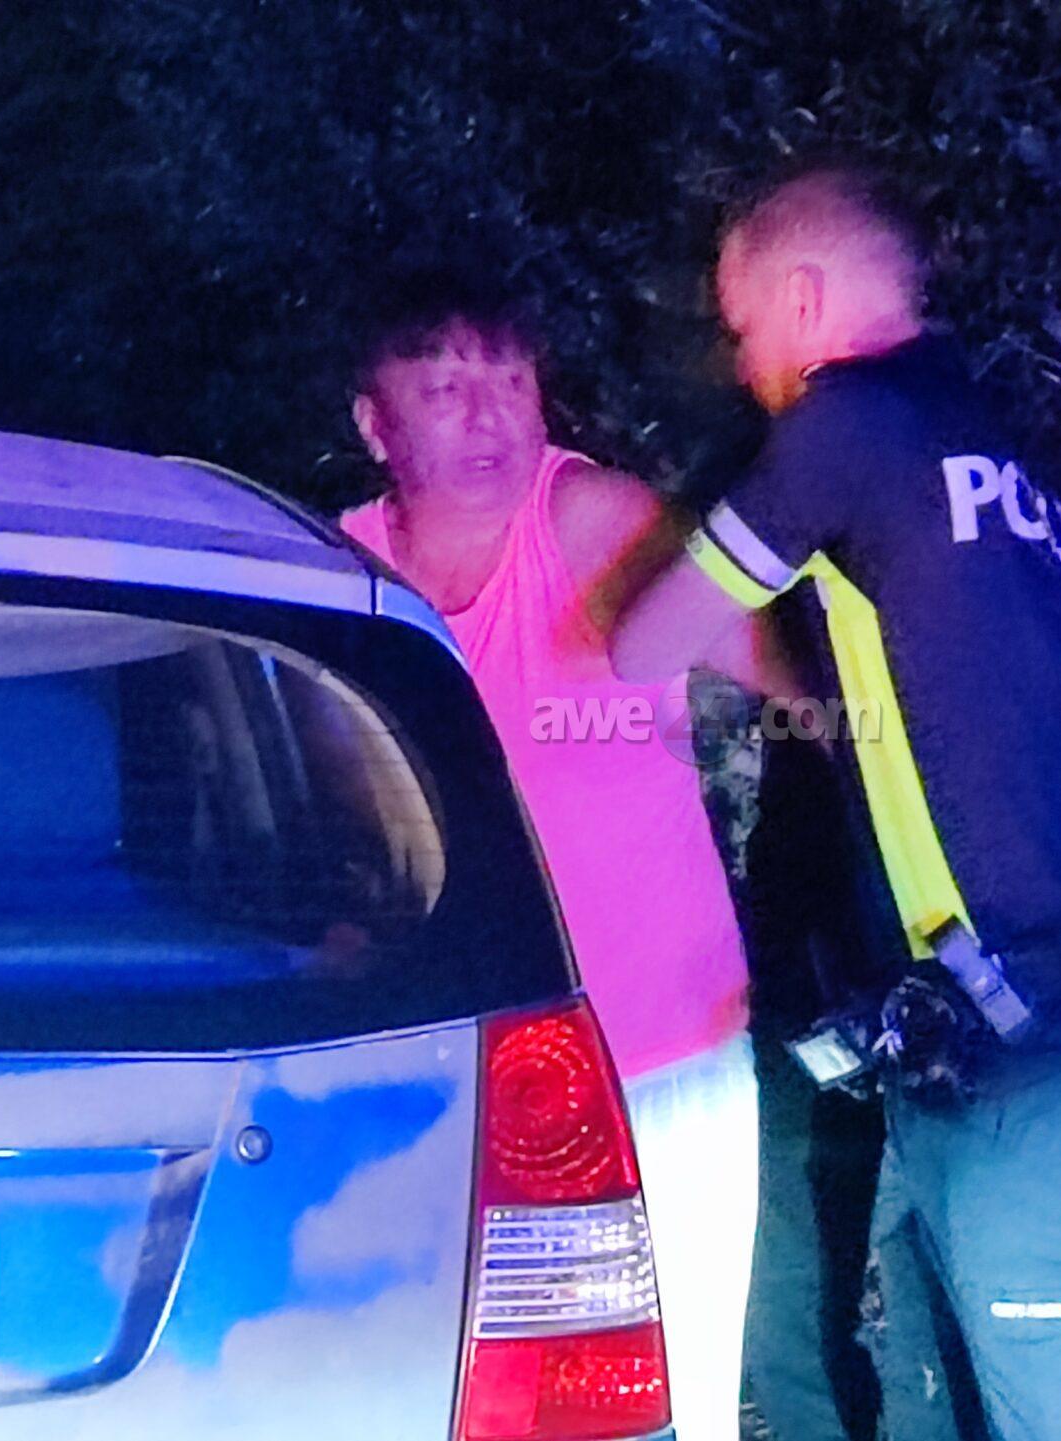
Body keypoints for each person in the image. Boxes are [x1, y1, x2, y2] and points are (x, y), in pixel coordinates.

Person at [610, 166, 1061, 1441]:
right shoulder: (1035, 496)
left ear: (802, 300)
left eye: (744, 326)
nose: (746, 364)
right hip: (1026, 1024)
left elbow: (647, 643)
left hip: (993, 1058)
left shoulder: (848, 427)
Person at [337, 268, 776, 1441]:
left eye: (512, 382)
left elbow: (797, 673)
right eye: (444, 389)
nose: (488, 416)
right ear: (375, 424)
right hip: (448, 1080)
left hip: (655, 1059)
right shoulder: (342, 578)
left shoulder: (590, 522)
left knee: (670, 1405)